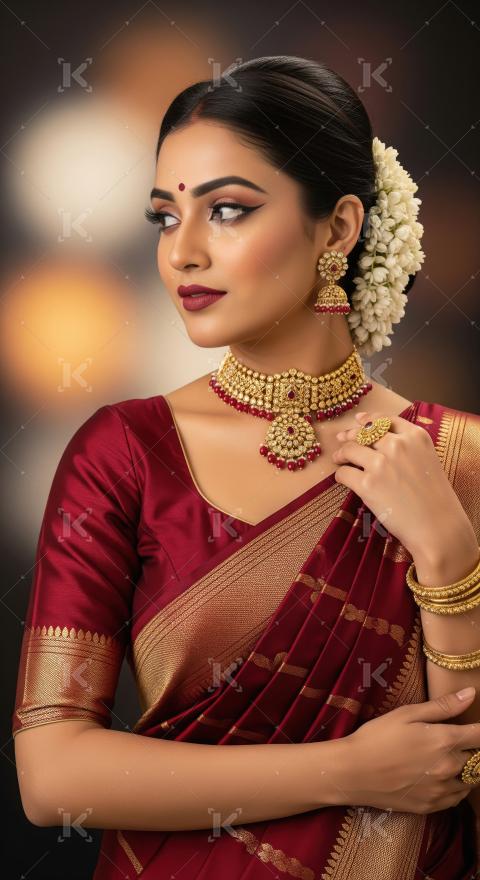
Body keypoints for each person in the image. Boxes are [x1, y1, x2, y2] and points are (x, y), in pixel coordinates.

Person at [12, 55, 480, 878]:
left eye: (227, 210)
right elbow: (52, 776)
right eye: (165, 217)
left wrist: (449, 559)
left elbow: (462, 773)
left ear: (338, 228)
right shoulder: (123, 453)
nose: (183, 253)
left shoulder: (458, 459)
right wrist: (345, 770)